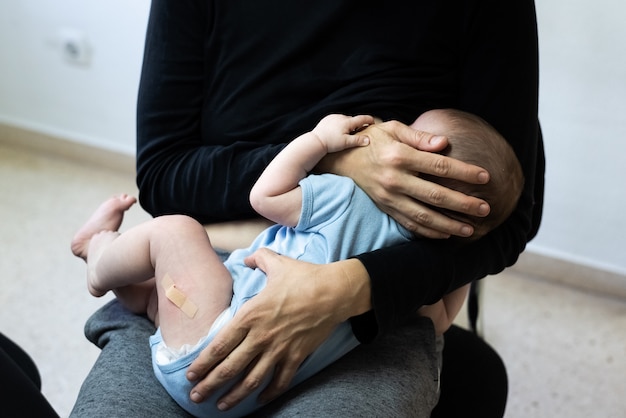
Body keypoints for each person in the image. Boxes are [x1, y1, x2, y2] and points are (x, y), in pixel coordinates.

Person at [70, 1, 544, 417]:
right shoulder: (357, 194)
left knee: (163, 263)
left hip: (375, 300)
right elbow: (163, 174)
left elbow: (503, 220)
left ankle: (100, 257)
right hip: (218, 263)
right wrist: (338, 161)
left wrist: (353, 286)